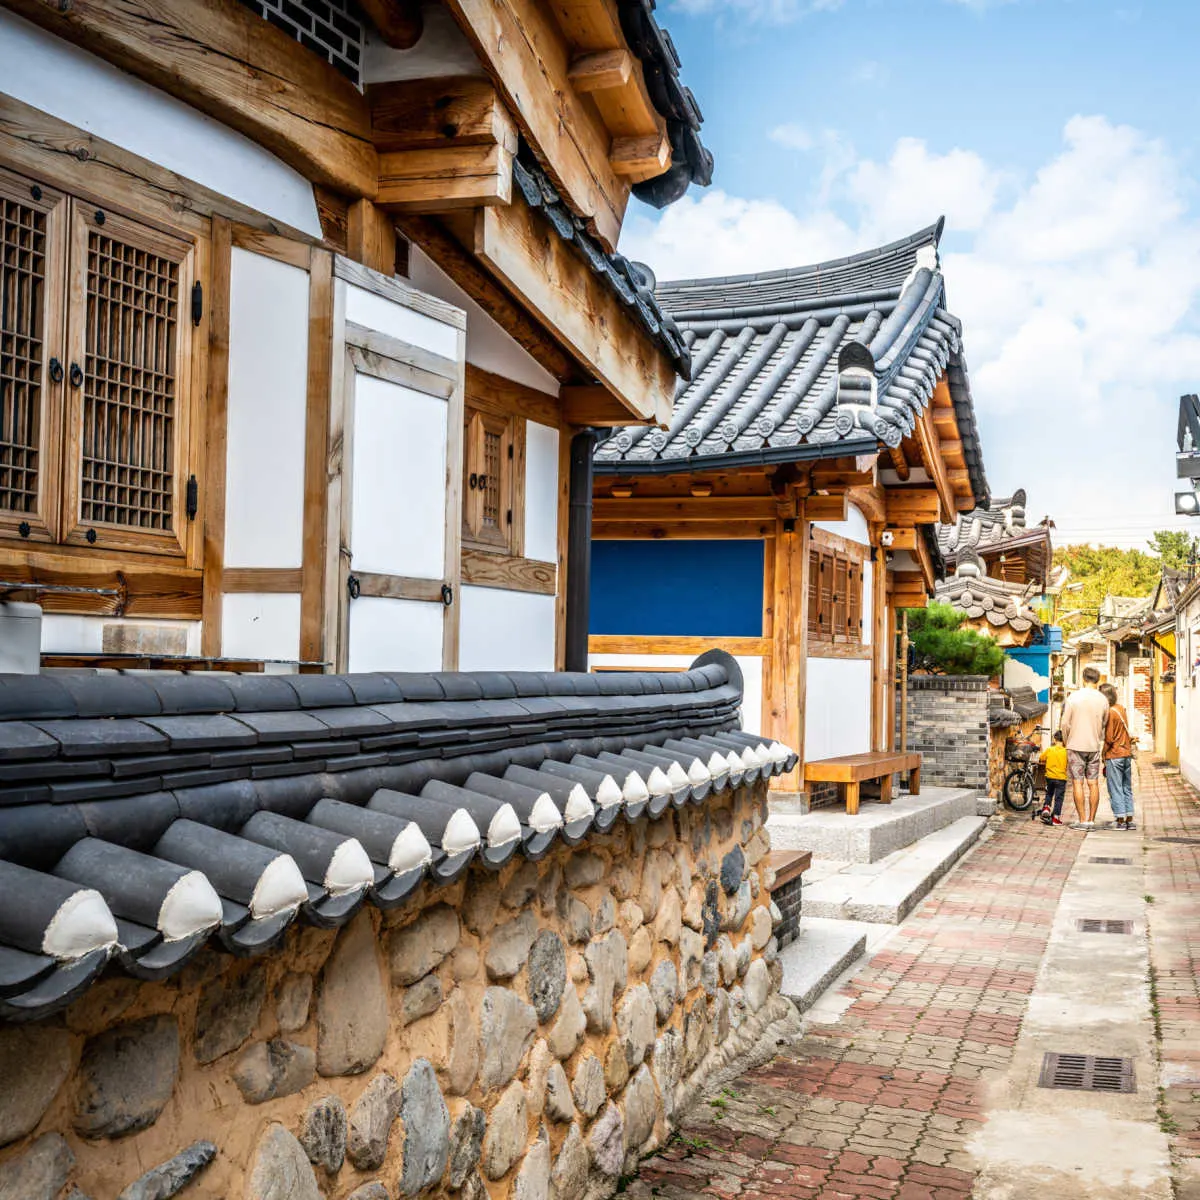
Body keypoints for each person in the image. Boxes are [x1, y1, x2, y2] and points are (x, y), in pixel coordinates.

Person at [1060, 666, 1109, 829]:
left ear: (1083, 678)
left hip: (1075, 745)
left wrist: (1067, 741)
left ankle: (1082, 820)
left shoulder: (1073, 698)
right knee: (1093, 783)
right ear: (1098, 679)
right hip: (1093, 746)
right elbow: (1104, 723)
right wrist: (1098, 737)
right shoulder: (1103, 700)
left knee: (1077, 783)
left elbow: (1065, 724)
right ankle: (1091, 819)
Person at [1100, 683, 1136, 830]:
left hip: (1114, 754)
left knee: (1115, 788)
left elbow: (1109, 739)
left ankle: (1120, 820)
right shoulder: (1121, 709)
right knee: (1126, 786)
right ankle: (1129, 819)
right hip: (1126, 753)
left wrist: (1103, 753)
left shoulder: (1110, 713)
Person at [1038, 731, 1068, 826]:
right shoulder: (1066, 751)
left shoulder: (1050, 750)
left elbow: (1041, 758)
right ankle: (1055, 818)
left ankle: (1046, 807)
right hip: (1061, 778)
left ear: (1054, 739)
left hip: (1049, 777)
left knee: (1049, 793)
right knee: (1059, 798)